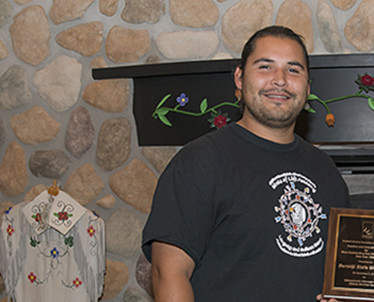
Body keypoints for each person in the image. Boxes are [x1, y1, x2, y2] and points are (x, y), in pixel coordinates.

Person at [142, 25, 349, 302]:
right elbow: (166, 274)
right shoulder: (199, 162)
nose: (280, 80)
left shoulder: (326, 171)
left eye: (293, 70)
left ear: (308, 87)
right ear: (239, 77)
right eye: (265, 67)